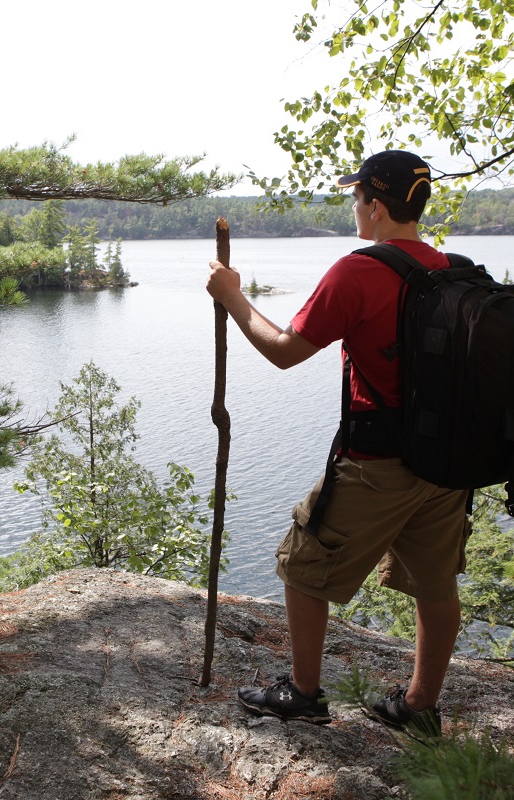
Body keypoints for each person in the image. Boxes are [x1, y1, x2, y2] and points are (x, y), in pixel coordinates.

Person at [205, 150, 469, 736]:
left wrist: (232, 297)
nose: (355, 208)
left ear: (375, 206)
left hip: (379, 462)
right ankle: (419, 709)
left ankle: (302, 693)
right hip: (448, 461)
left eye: (357, 199)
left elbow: (283, 350)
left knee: (301, 563)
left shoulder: (358, 272)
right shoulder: (450, 268)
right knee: (435, 582)